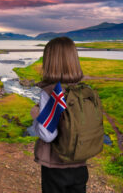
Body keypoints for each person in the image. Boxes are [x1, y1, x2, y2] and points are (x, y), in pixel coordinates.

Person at [30, 37, 95, 193]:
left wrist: (36, 116)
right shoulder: (82, 89)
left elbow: (47, 135)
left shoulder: (51, 91)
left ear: (50, 61)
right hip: (80, 165)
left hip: (56, 167)